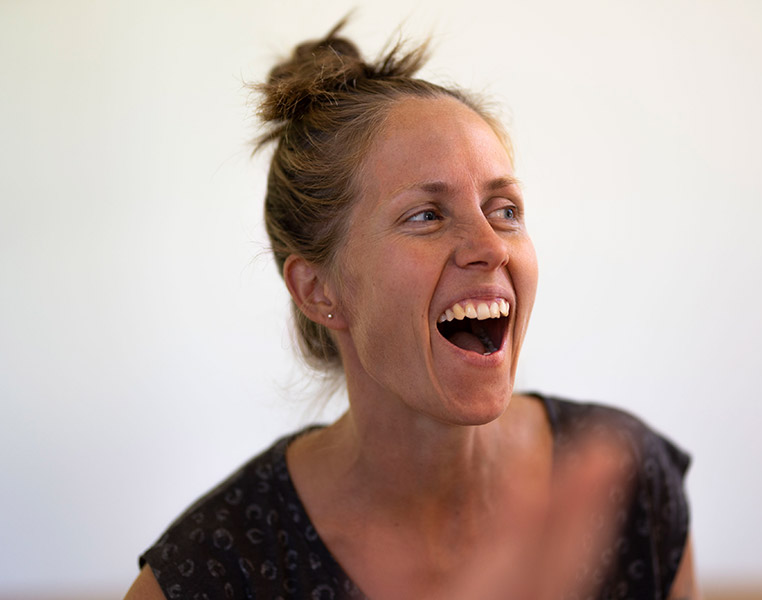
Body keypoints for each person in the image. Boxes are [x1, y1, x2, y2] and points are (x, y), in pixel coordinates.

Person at [125, 20, 696, 600]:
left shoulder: (628, 486)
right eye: (426, 215)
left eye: (504, 210)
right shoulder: (214, 571)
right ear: (318, 289)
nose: (491, 246)